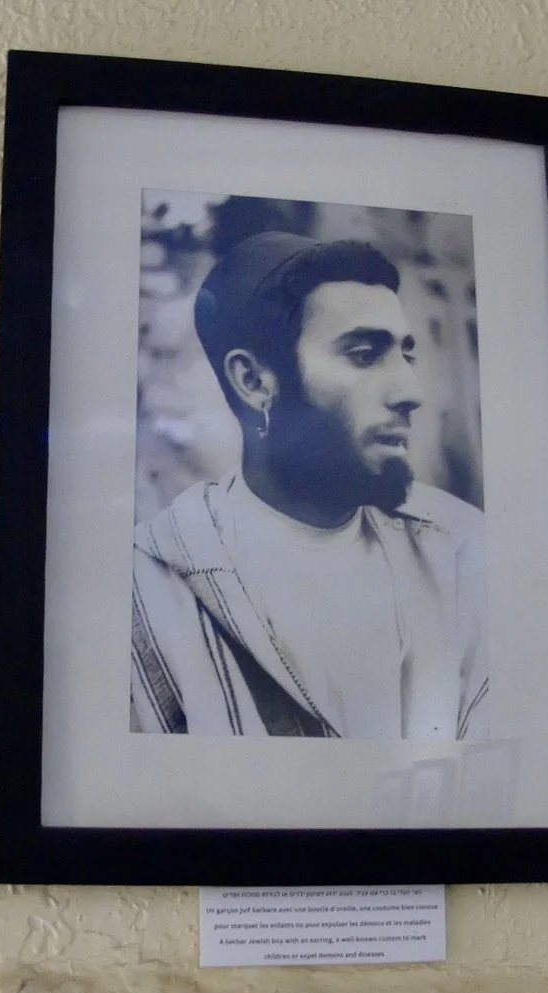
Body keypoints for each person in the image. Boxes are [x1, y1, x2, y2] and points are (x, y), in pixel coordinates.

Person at [131, 231, 488, 740]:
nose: (411, 393)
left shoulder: (458, 552)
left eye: (405, 356)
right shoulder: (151, 586)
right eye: (364, 354)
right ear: (254, 382)